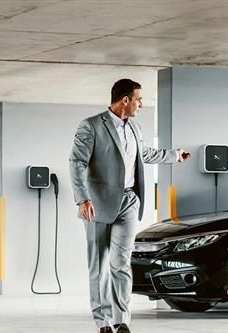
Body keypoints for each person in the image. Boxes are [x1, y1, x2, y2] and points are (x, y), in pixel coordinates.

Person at [69, 78, 189, 333]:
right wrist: (82, 198)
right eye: (139, 99)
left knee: (120, 263)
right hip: (97, 205)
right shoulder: (91, 126)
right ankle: (102, 321)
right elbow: (77, 162)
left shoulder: (134, 128)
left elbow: (143, 154)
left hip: (129, 202)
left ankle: (121, 320)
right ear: (125, 100)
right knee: (98, 265)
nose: (141, 105)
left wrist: (174, 155)